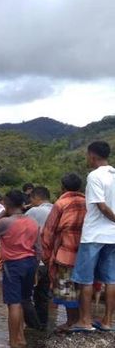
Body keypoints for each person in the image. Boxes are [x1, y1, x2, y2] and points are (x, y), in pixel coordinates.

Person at [0, 190, 40, 348]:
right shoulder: (33, 222)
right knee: (23, 300)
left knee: (13, 304)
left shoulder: (7, 222)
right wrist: (35, 269)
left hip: (13, 264)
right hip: (30, 262)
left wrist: (1, 214)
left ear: (7, 204)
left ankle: (14, 342)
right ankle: (20, 338)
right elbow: (38, 248)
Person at [70, 141, 115, 332]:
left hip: (95, 234)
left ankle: (85, 321)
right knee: (111, 279)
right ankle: (107, 322)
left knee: (85, 279)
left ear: (93, 156)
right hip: (112, 236)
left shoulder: (95, 176)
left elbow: (102, 206)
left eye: (88, 156)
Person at [41, 173, 86, 331]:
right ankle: (81, 320)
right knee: (82, 287)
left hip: (65, 252)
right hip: (85, 252)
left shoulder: (61, 204)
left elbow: (48, 231)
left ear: (62, 187)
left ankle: (71, 321)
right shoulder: (87, 202)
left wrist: (46, 256)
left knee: (67, 289)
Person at [25, 186, 53, 329]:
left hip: (37, 259)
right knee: (44, 296)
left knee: (25, 296)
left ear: (36, 197)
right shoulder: (57, 209)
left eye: (31, 198)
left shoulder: (34, 211)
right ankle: (43, 324)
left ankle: (32, 326)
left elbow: (22, 230)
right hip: (54, 259)